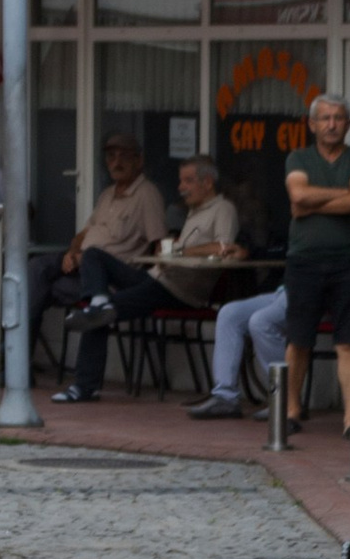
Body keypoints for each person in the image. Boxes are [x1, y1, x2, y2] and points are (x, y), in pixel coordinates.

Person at [52, 156, 242, 405]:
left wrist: (180, 252)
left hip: (178, 290)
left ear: (207, 182)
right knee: (93, 255)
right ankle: (98, 299)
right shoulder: (194, 211)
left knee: (97, 316)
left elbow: (224, 247)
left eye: (188, 181)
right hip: (157, 279)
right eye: (180, 181)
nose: (180, 187)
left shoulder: (223, 209)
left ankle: (84, 387)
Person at [26, 133, 166, 372]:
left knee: (40, 287)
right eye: (111, 156)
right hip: (82, 266)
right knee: (36, 268)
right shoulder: (107, 194)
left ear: (138, 160)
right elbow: (84, 234)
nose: (116, 162)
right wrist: (72, 253)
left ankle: (14, 363)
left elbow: (160, 244)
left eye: (124, 156)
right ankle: (15, 361)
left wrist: (150, 284)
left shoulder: (147, 194)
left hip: (111, 279)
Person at [283, 91, 350, 431]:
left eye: (339, 118)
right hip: (304, 262)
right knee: (298, 340)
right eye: (325, 118)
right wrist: (343, 195)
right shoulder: (298, 158)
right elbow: (297, 196)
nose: (332, 124)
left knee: (348, 342)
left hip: (349, 262)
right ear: (312, 124)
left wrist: (313, 203)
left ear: (349, 124)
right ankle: (291, 411)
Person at [192, 279, 291, 421]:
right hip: (284, 290)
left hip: (309, 292)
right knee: (229, 314)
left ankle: (284, 399)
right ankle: (225, 396)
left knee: (261, 322)